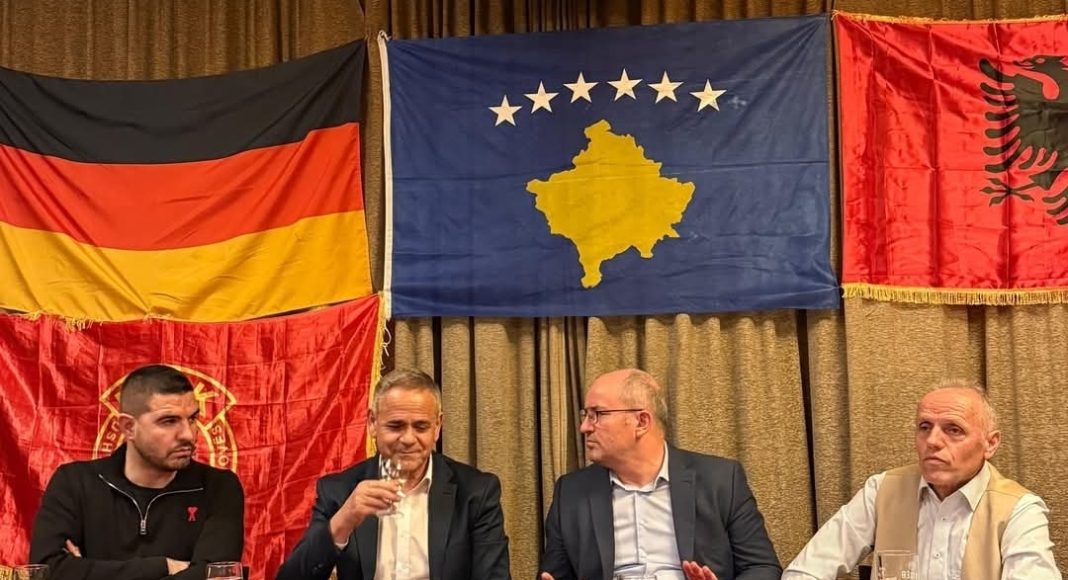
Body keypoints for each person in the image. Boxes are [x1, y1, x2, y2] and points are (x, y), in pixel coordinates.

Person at [783, 380, 1061, 580]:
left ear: (990, 444)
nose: (932, 441)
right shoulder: (882, 490)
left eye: (953, 430)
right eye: (925, 427)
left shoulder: (1019, 509)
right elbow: (805, 571)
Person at [538, 369, 781, 580]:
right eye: (586, 416)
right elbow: (554, 574)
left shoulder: (720, 480)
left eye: (597, 414)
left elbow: (762, 568)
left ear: (642, 422)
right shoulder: (571, 492)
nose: (584, 427)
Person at [276, 368, 510, 580]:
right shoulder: (339, 491)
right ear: (372, 423)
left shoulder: (476, 492)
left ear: (437, 427)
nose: (408, 439)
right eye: (395, 426)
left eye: (421, 427)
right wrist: (343, 521)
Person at [29, 364, 245, 580]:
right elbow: (47, 572)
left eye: (192, 419)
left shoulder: (218, 487)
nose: (188, 434)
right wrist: (164, 567)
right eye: (169, 421)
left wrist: (84, 571)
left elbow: (216, 575)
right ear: (128, 427)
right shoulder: (74, 483)